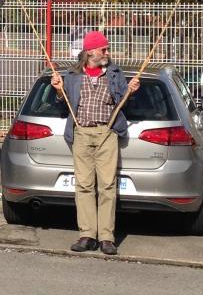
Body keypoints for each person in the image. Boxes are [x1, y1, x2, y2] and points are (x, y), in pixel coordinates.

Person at [51, 30, 140, 256]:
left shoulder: (114, 73)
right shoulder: (71, 75)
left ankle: (107, 238)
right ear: (90, 51)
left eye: (106, 49)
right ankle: (87, 235)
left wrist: (130, 91)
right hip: (81, 133)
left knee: (108, 186)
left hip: (106, 133)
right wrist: (59, 91)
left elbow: (124, 102)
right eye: (103, 49)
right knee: (83, 186)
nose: (107, 53)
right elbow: (62, 106)